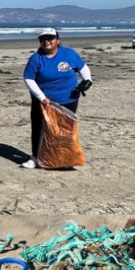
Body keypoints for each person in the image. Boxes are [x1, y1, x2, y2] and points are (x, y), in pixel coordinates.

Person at [22, 27, 92, 168]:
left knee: (64, 131)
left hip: (69, 99)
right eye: (43, 39)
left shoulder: (69, 54)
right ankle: (35, 158)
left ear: (57, 40)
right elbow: (29, 79)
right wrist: (42, 98)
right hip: (44, 102)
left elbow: (83, 68)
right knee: (39, 129)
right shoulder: (36, 59)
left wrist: (87, 80)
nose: (47, 41)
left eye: (50, 38)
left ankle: (63, 159)